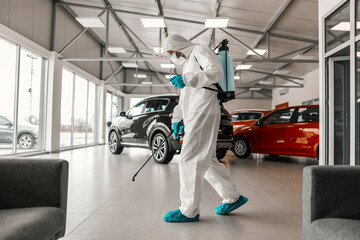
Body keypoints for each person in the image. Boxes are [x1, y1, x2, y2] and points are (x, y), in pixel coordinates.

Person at [163, 34, 248, 223]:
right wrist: (178, 118)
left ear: (177, 47)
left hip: (204, 111)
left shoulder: (199, 50)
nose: (172, 57)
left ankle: (189, 210)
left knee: (188, 158)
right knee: (207, 160)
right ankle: (233, 197)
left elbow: (216, 72)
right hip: (194, 114)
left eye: (171, 52)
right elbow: (186, 98)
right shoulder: (187, 65)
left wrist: (188, 79)